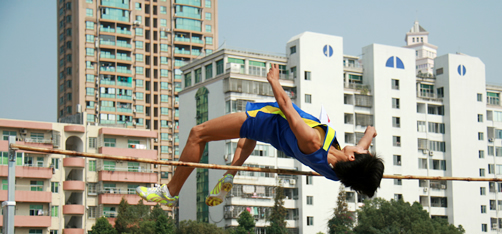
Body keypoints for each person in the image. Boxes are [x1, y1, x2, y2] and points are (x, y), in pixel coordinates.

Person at [136, 64, 384, 207]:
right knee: (245, 140)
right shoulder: (341, 169)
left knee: (197, 134)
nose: (364, 148)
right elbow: (362, 149)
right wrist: (370, 134)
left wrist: (274, 81)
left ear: (354, 159)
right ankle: (230, 174)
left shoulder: (313, 141)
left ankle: (170, 191)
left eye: (364, 153)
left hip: (266, 120)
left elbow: (286, 105)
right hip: (276, 135)